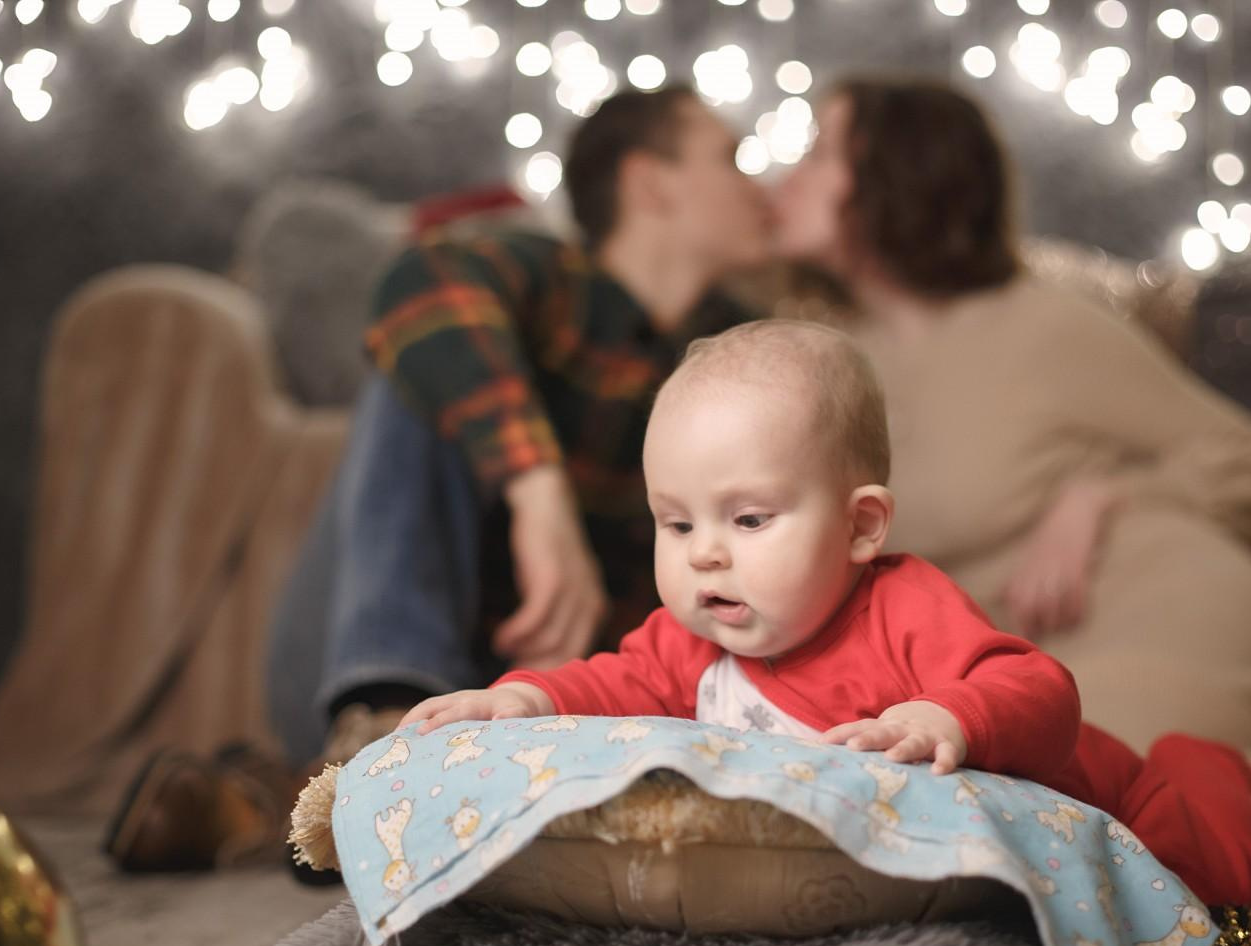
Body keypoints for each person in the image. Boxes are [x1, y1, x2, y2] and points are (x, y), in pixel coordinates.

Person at [768, 77, 1251, 880]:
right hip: (1020, 669)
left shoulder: (1041, 324)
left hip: (1180, 621)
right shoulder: (829, 357)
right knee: (968, 796)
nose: (785, 177)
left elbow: (1249, 460)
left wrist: (1101, 500)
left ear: (892, 178)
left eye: (817, 152)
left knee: (1059, 802)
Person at [104, 86, 773, 873]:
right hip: (352, 658)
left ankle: (279, 798)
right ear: (650, 183)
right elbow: (420, 282)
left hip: (535, 692)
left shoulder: (736, 347)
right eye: (731, 159)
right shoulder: (546, 272)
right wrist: (539, 491)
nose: (757, 186)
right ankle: (384, 735)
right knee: (430, 350)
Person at [397, 319, 1251, 908]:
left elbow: (1038, 687)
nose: (705, 553)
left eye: (748, 519)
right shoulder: (691, 637)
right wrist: (521, 699)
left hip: (1118, 801)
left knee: (1221, 884)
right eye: (677, 522)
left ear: (860, 527)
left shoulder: (902, 606)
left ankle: (1202, 767)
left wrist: (946, 716)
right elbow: (611, 684)